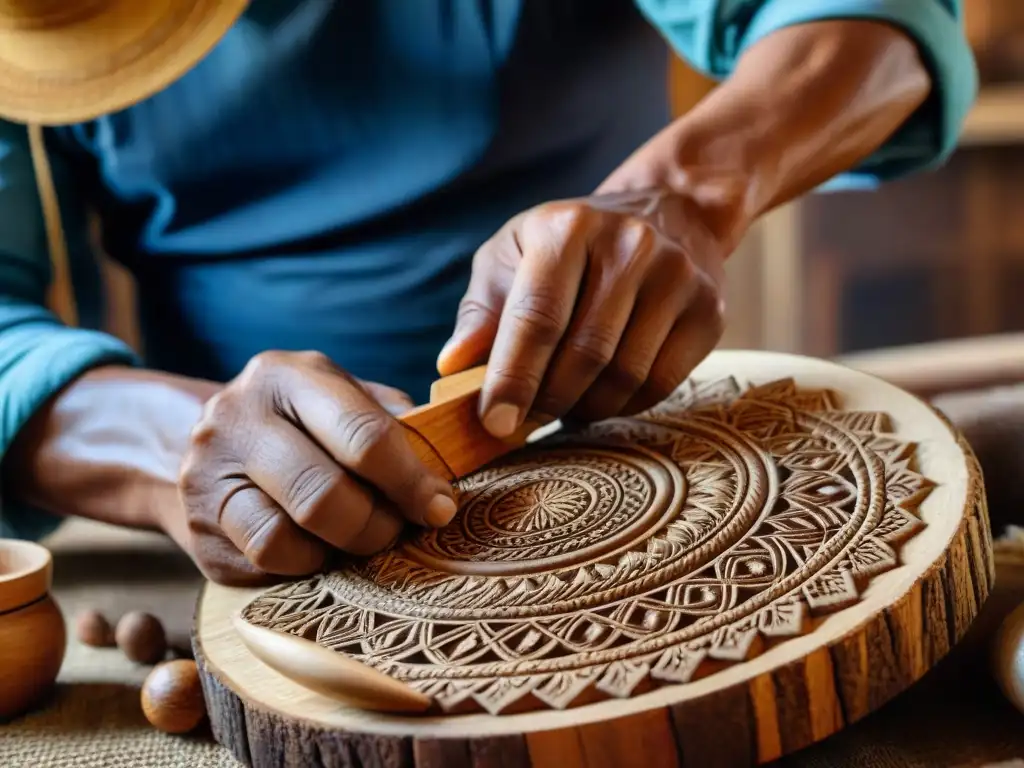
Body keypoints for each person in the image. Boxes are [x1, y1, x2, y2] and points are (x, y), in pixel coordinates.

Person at [0, 1, 976, 585]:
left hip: (639, 454)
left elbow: (880, 23)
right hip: (285, 556)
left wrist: (685, 190)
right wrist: (188, 451)